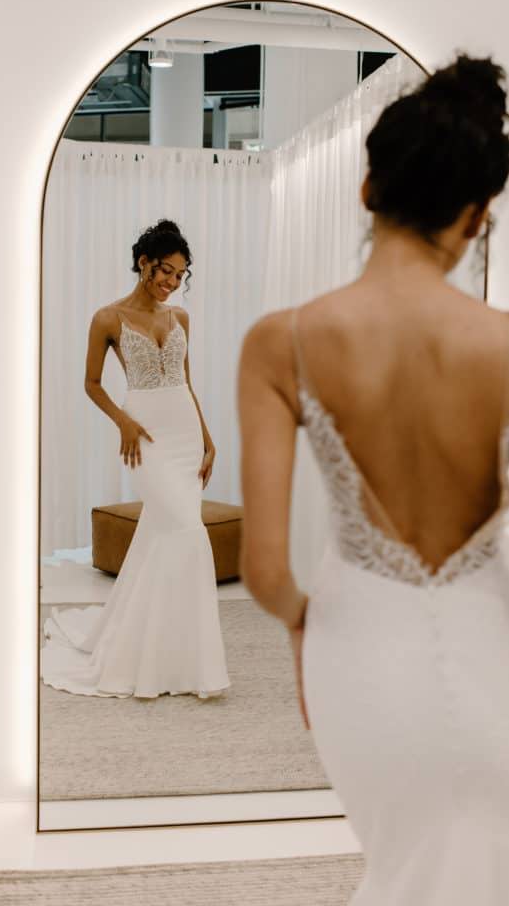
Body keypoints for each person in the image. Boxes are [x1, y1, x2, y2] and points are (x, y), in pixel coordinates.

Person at [238, 55, 509, 903]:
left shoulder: (280, 342)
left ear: (365, 190)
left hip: (360, 658)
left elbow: (266, 571)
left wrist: (303, 630)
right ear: (475, 218)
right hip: (490, 654)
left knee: (403, 866)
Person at [41, 219, 230, 699]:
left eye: (179, 275)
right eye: (164, 271)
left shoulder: (180, 318)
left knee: (163, 539)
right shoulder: (108, 318)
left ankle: (167, 652)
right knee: (188, 534)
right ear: (144, 263)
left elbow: (186, 383)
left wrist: (208, 440)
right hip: (144, 433)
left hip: (185, 434)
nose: (170, 283)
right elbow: (91, 383)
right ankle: (174, 659)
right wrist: (122, 421)